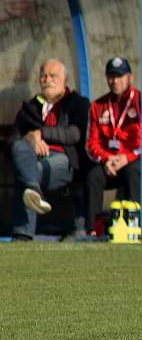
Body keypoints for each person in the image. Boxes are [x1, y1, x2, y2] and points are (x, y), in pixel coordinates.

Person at [84, 56, 142, 232]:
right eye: (111, 76)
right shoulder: (97, 106)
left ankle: (135, 225)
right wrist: (107, 159)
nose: (115, 81)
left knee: (133, 170)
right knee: (94, 176)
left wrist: (129, 157)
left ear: (130, 77)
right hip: (113, 163)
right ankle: (93, 229)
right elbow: (91, 143)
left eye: (120, 76)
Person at [8, 59, 90, 241]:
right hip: (32, 159)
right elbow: (12, 140)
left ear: (65, 79)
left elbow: (74, 134)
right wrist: (30, 139)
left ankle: (22, 233)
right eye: (44, 75)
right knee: (21, 150)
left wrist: (40, 133)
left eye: (53, 76)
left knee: (28, 172)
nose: (47, 79)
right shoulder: (29, 108)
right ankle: (33, 189)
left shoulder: (78, 103)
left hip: (64, 160)